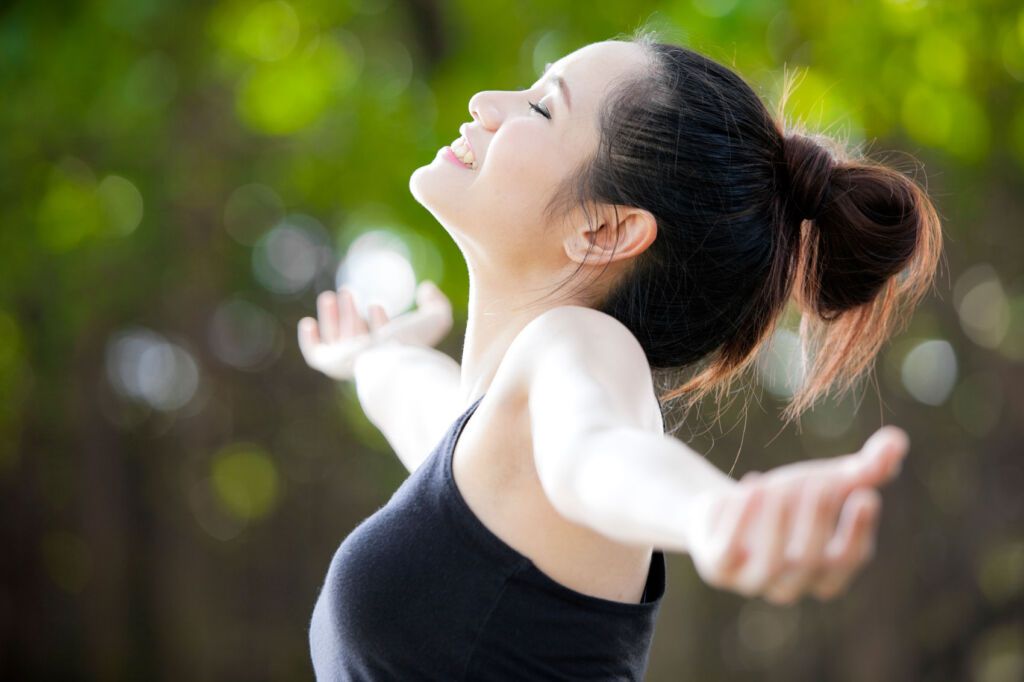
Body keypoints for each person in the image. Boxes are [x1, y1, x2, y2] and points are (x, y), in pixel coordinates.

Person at [297, 28, 942, 681]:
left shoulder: (582, 343)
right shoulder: (485, 445)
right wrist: (371, 356)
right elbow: (411, 395)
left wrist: (712, 513)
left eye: (543, 107)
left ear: (603, 229)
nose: (487, 103)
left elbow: (596, 451)